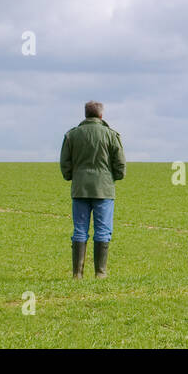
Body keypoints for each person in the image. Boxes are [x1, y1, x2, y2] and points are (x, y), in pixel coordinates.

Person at [59, 101, 126, 278]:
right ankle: (100, 273)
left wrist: (71, 176)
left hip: (80, 188)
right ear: (101, 115)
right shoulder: (111, 135)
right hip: (104, 189)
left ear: (86, 114)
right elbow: (120, 164)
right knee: (103, 229)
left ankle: (77, 274)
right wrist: (115, 177)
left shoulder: (72, 135)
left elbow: (65, 164)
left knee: (80, 229)